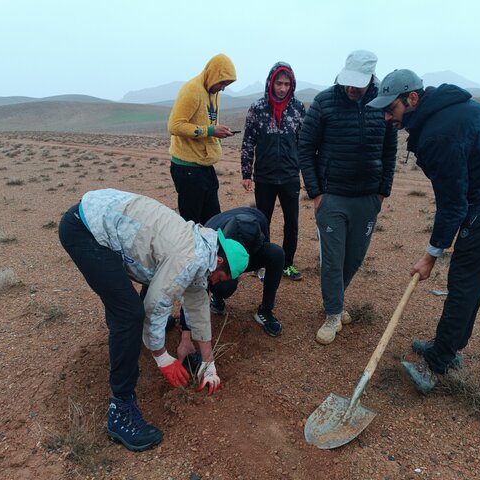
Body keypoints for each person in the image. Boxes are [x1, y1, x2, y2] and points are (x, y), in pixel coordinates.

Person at [368, 69, 480, 393]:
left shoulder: (438, 134)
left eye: (392, 109)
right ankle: (452, 345)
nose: (388, 117)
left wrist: (431, 255)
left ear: (413, 98)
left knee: (464, 279)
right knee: (469, 277)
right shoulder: (439, 114)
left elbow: (453, 204)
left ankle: (436, 363)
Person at [58, 188, 248, 451]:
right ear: (219, 260)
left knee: (124, 310)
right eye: (223, 277)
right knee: (130, 315)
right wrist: (162, 357)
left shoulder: (201, 251)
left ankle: (123, 348)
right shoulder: (191, 257)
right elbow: (157, 304)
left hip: (101, 222)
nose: (219, 284)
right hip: (87, 230)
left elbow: (198, 304)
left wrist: (208, 362)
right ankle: (120, 412)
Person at [298, 50, 398, 345]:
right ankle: (332, 313)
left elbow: (389, 151)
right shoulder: (325, 102)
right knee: (332, 258)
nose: (352, 89)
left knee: (353, 257)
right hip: (333, 197)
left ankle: (336, 300)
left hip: (367, 198)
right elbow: (305, 147)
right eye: (349, 82)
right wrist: (317, 193)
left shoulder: (383, 104)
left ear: (371, 79)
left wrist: (382, 192)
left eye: (359, 83)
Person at [173, 207, 286, 359]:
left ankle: (265, 311)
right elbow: (194, 284)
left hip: (247, 249)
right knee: (224, 286)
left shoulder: (258, 224)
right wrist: (186, 332)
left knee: (276, 254)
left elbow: (265, 247)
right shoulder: (209, 239)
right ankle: (218, 298)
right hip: (222, 252)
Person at [240, 62, 306, 281]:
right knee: (262, 221)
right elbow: (248, 142)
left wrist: (306, 174)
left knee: (292, 222)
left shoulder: (298, 108)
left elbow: (303, 143)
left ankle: (287, 263)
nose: (283, 88)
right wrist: (246, 173)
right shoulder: (257, 108)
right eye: (279, 83)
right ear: (271, 82)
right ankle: (261, 262)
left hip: (289, 176)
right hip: (265, 176)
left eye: (287, 84)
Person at [167, 53, 237, 224]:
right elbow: (174, 126)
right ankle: (190, 252)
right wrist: (211, 131)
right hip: (187, 168)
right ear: (213, 75)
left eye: (226, 84)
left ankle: (211, 251)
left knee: (213, 221)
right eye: (222, 83)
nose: (223, 88)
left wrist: (218, 132)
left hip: (205, 166)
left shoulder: (214, 92)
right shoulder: (192, 90)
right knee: (192, 223)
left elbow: (208, 120)